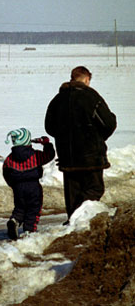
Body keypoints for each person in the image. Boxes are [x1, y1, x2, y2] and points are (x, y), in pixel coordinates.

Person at [45, 66, 117, 222]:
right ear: (86, 79)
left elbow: (49, 126)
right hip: (91, 156)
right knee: (94, 188)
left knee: (73, 195)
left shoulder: (58, 99)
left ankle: (74, 225)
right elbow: (108, 123)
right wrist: (97, 138)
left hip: (68, 157)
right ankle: (79, 221)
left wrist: (64, 138)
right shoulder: (91, 97)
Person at [3, 127, 55, 240]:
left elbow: (6, 172)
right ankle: (29, 230)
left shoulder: (9, 159)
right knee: (34, 208)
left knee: (20, 208)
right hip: (33, 186)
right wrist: (47, 144)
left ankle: (15, 220)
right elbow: (49, 155)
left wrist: (13, 185)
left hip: (18, 187)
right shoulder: (35, 155)